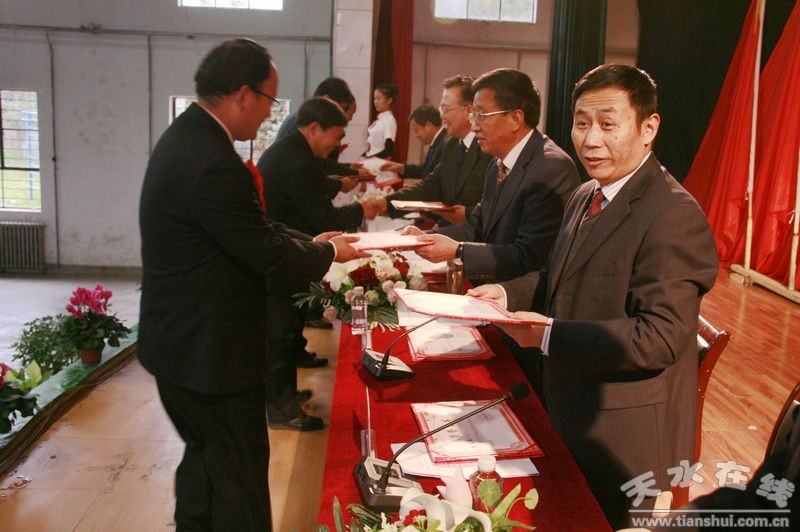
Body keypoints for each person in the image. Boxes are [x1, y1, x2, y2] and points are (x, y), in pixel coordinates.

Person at [468, 64, 719, 528]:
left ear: (648, 128)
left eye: (607, 124)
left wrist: (549, 336)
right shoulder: (586, 193)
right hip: (566, 401)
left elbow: (659, 338)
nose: (590, 140)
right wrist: (503, 291)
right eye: (581, 124)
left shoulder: (673, 215)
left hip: (618, 435)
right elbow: (556, 277)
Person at [138, 39, 363, 530]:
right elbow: (263, 250)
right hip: (209, 353)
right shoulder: (212, 159)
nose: (269, 114)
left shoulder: (190, 137)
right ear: (243, 94)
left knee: (206, 462)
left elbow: (250, 227)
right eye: (268, 100)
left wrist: (311, 241)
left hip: (182, 344)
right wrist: (329, 254)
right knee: (238, 476)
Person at [257, 97, 379, 430]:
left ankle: (285, 398)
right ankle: (281, 410)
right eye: (335, 136)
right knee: (281, 334)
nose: (336, 146)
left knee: (288, 331)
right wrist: (361, 210)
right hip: (281, 256)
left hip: (290, 246)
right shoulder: (299, 160)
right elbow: (321, 215)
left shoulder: (294, 151)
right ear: (314, 129)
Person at [406, 68, 580, 282]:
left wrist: (458, 251)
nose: (473, 126)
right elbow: (477, 226)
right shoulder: (497, 163)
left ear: (515, 118)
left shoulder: (551, 168)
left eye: (481, 115)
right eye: (472, 115)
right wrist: (426, 239)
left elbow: (530, 256)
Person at [374, 75, 493, 227]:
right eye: (441, 109)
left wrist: (466, 214)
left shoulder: (488, 148)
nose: (442, 116)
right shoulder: (452, 146)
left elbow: (493, 205)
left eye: (446, 109)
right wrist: (386, 203)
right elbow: (430, 186)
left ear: (468, 110)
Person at [275, 76, 365, 197]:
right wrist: (339, 184)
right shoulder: (302, 123)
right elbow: (305, 174)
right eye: (340, 109)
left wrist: (346, 172)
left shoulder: (304, 120)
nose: (341, 117)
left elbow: (316, 168)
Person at [380, 104, 448, 183]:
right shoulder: (438, 142)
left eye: (416, 130)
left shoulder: (445, 144)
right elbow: (425, 170)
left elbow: (434, 180)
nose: (416, 135)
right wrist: (400, 168)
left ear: (428, 126)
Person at [364, 83, 398, 159]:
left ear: (389, 100)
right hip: (372, 161)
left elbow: (389, 150)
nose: (376, 102)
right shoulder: (380, 120)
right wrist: (364, 156)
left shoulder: (389, 120)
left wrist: (369, 158)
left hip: (379, 163)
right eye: (374, 98)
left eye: (379, 98)